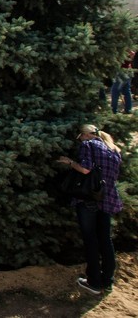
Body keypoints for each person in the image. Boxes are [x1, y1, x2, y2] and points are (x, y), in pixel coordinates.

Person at [58, 124, 123, 294]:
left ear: (85, 135)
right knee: (105, 240)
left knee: (91, 240)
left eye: (80, 137)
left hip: (89, 199)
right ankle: (107, 281)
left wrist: (70, 162)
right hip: (107, 198)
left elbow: (86, 169)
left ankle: (94, 282)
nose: (80, 140)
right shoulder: (114, 149)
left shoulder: (88, 145)